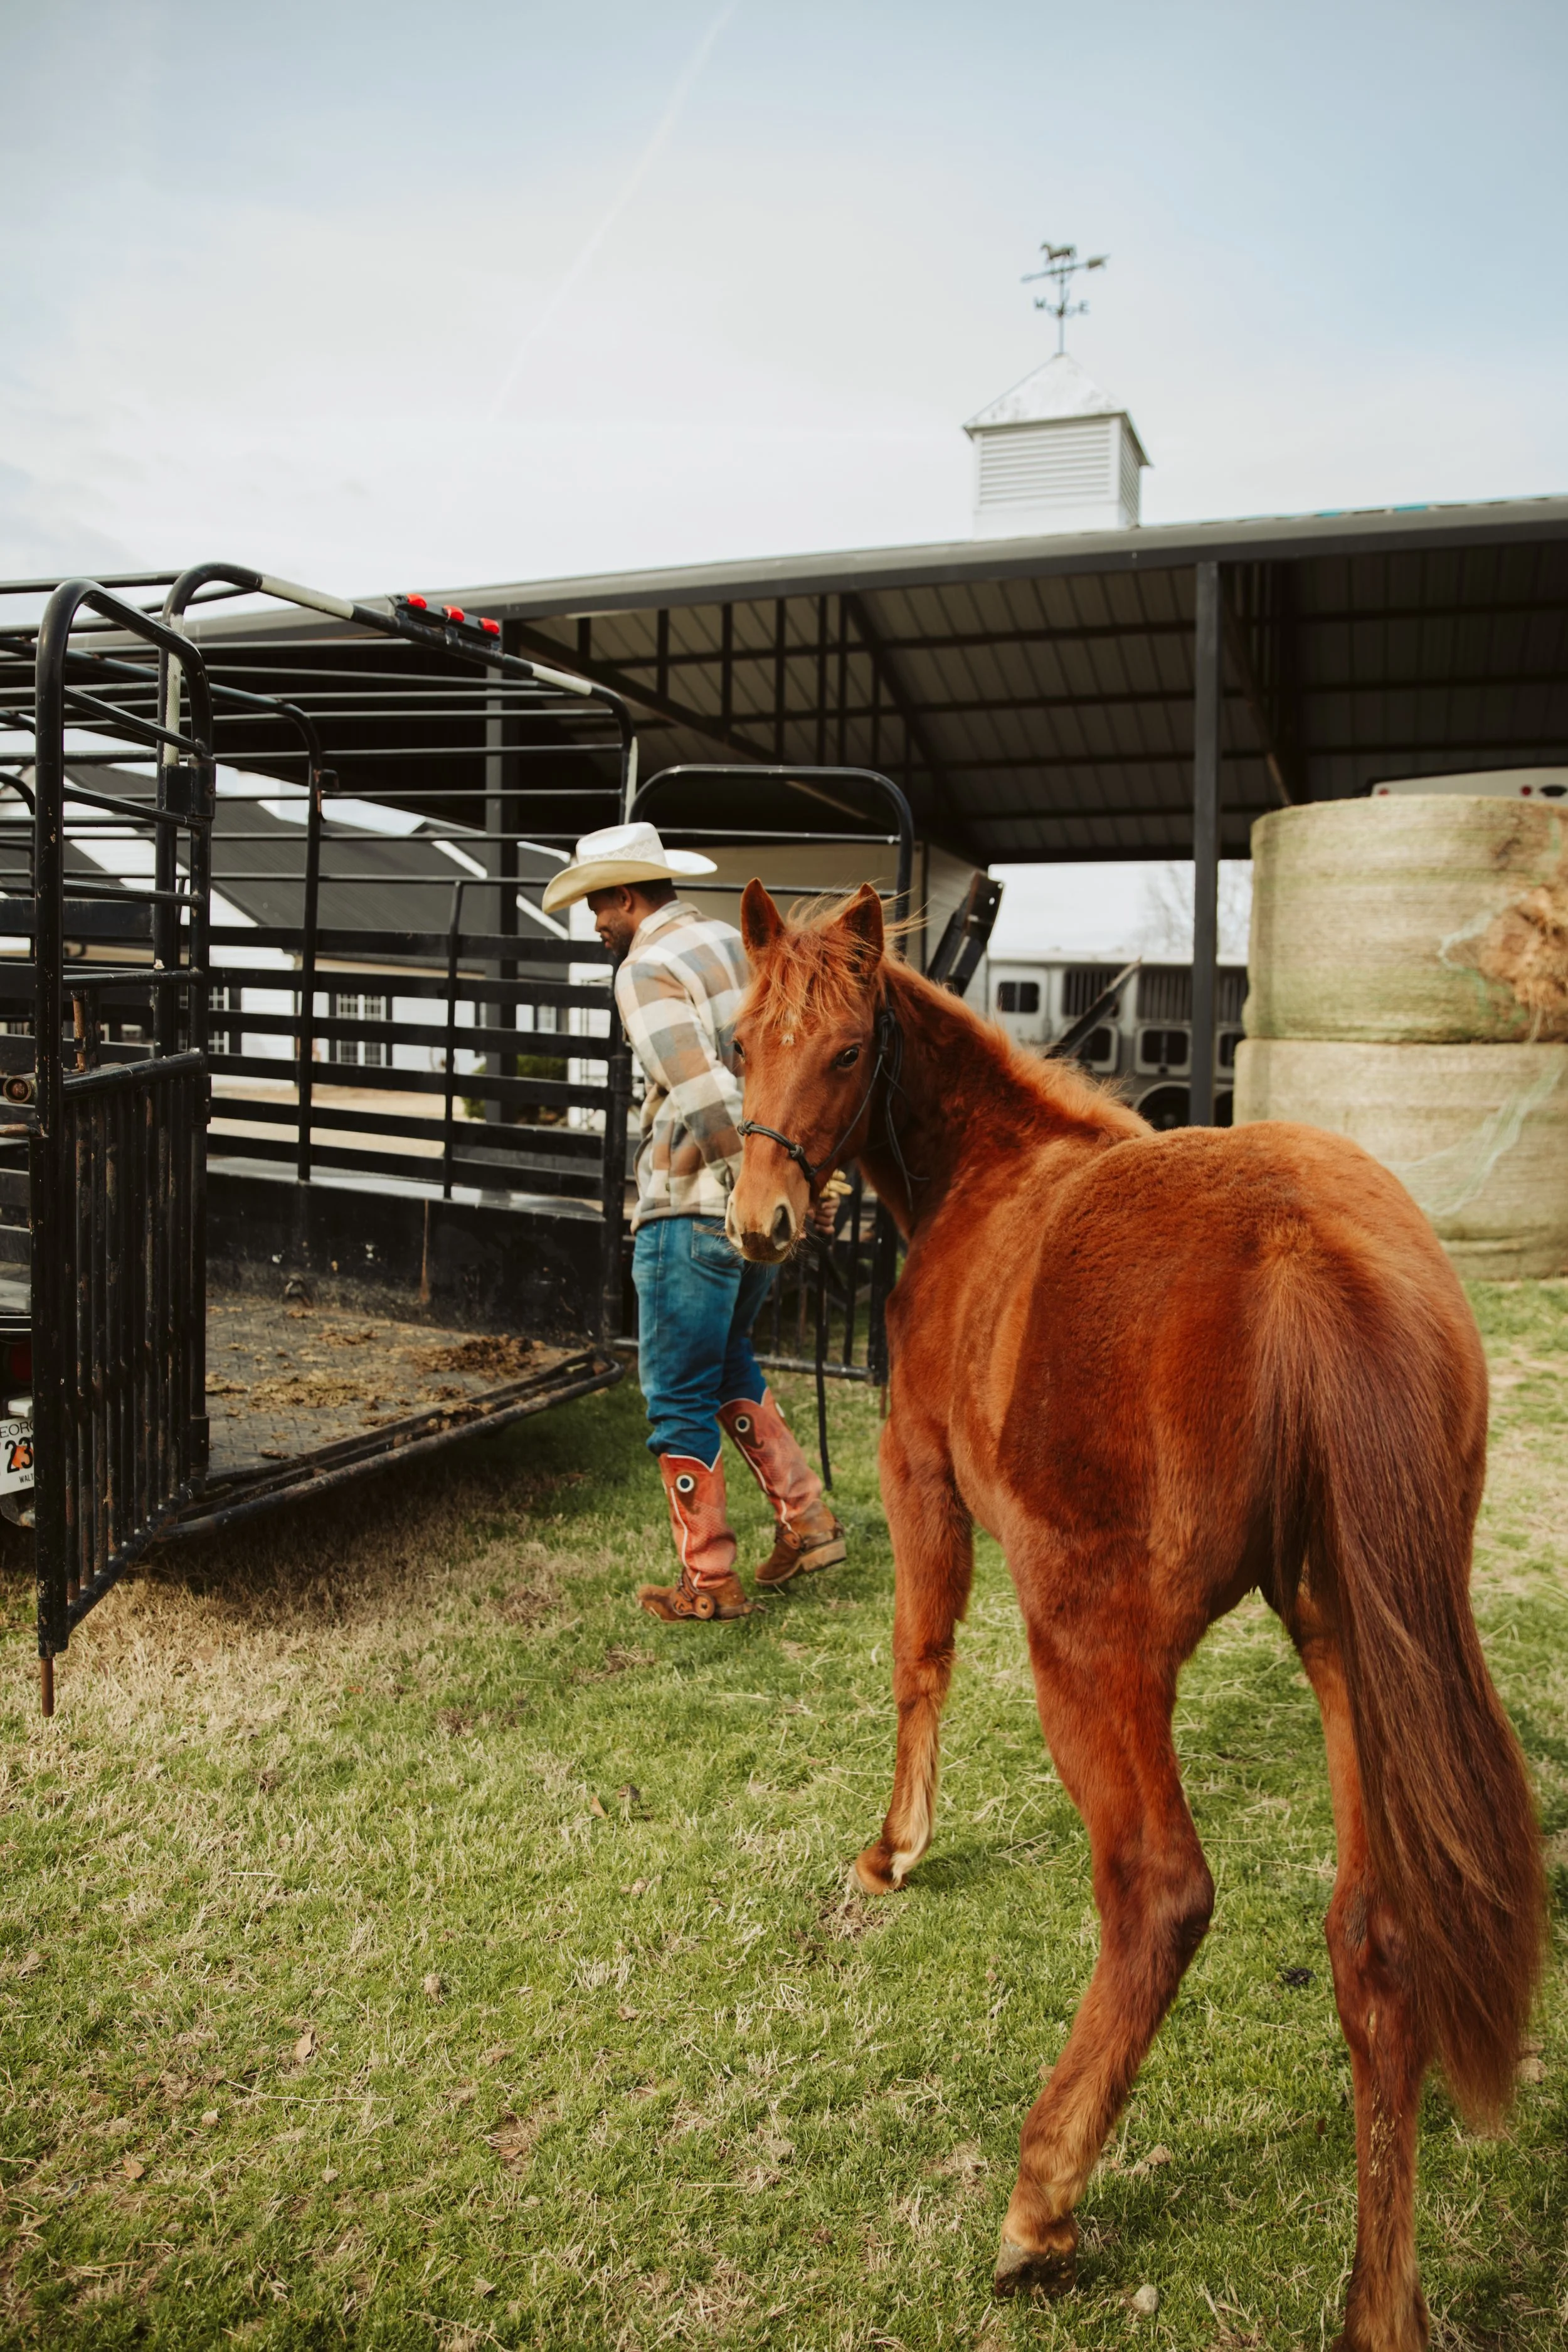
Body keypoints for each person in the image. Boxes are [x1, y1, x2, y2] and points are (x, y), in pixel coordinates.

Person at [542, 822, 845, 1622]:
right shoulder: (737, 946)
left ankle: (708, 1582)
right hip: (755, 1208)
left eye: (598, 907)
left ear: (629, 896)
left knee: (677, 1395)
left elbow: (701, 1090)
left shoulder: (645, 969)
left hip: (693, 1209)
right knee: (729, 1365)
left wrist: (737, 1183)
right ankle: (808, 1523)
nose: (596, 924)